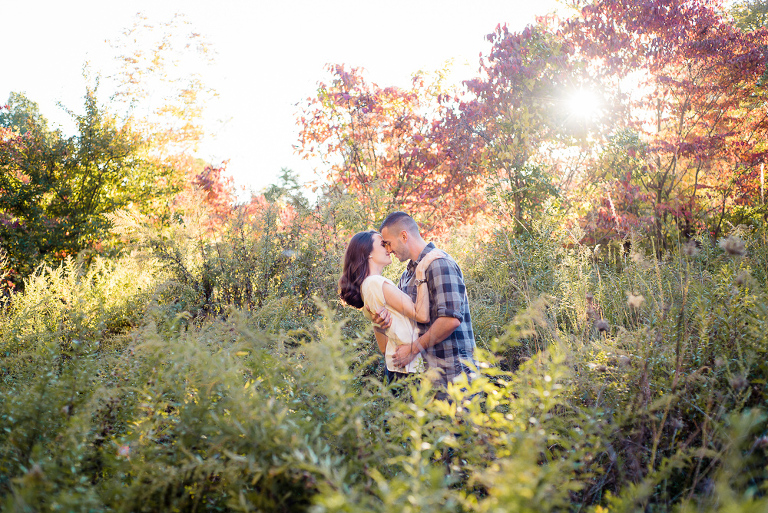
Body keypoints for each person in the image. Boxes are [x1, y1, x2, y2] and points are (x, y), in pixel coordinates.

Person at [372, 212, 476, 388]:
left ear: (404, 236)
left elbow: (450, 320)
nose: (388, 250)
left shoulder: (439, 264)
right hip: (428, 379)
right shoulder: (407, 276)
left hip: (454, 376)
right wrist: (381, 322)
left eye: (388, 243)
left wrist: (413, 349)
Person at [338, 230, 444, 382]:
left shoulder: (366, 287)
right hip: (408, 370)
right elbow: (421, 315)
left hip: (397, 368)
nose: (389, 249)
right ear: (368, 253)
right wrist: (420, 272)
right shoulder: (375, 283)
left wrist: (378, 326)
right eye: (383, 245)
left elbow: (384, 348)